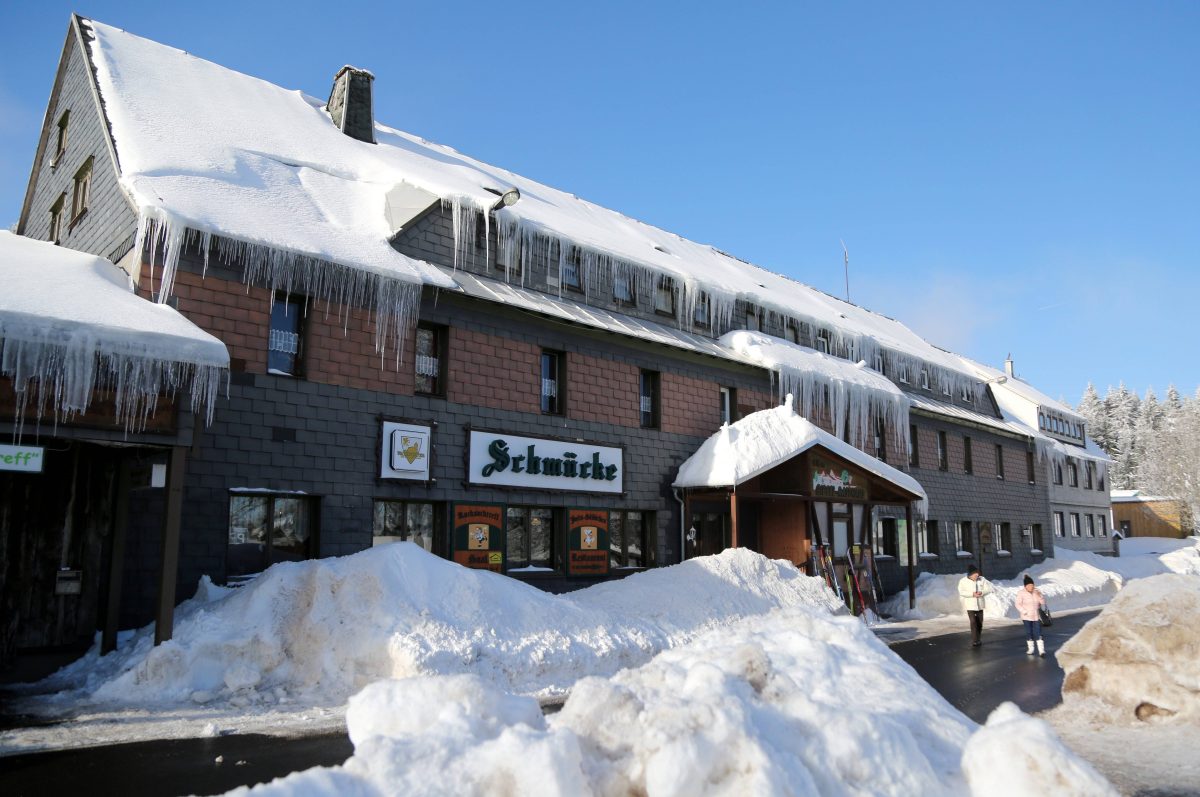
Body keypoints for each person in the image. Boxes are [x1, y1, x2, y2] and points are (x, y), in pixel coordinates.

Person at [957, 565, 993, 647]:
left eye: (977, 573)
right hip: (970, 606)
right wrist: (972, 594)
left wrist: (982, 592)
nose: (977, 575)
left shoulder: (982, 579)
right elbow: (961, 592)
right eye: (975, 574)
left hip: (980, 605)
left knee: (979, 623)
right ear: (970, 575)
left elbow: (988, 589)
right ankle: (974, 640)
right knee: (973, 622)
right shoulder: (963, 581)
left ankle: (978, 638)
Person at [1015, 574, 1048, 657]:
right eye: (1029, 585)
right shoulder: (1021, 593)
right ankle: (1031, 649)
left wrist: (1039, 595)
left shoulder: (1036, 592)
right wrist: (1024, 611)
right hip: (1026, 616)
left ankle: (1041, 651)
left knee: (1039, 632)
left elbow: (1043, 602)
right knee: (1029, 632)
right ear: (1025, 586)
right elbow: (1018, 604)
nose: (1031, 587)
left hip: (1036, 616)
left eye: (1032, 585)